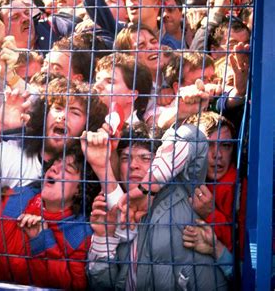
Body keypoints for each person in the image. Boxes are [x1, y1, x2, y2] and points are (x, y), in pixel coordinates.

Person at [87, 122, 228, 290]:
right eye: (126, 158)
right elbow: (102, 286)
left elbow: (192, 136)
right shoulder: (115, 209)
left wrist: (148, 186)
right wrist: (104, 237)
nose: (133, 165)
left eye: (145, 157)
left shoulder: (183, 188)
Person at [0, 147, 101, 289]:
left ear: (79, 189)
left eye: (67, 169)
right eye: (55, 163)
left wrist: (42, 240)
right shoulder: (17, 198)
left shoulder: (81, 233)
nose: (54, 169)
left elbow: (71, 287)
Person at [0, 77, 108, 189]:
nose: (62, 117)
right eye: (58, 108)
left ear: (88, 125)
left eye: (75, 112)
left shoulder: (91, 169)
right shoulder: (13, 154)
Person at [185, 111, 247, 255]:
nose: (217, 154)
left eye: (225, 145)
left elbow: (243, 253)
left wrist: (210, 213)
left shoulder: (240, 187)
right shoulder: (181, 180)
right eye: (208, 145)